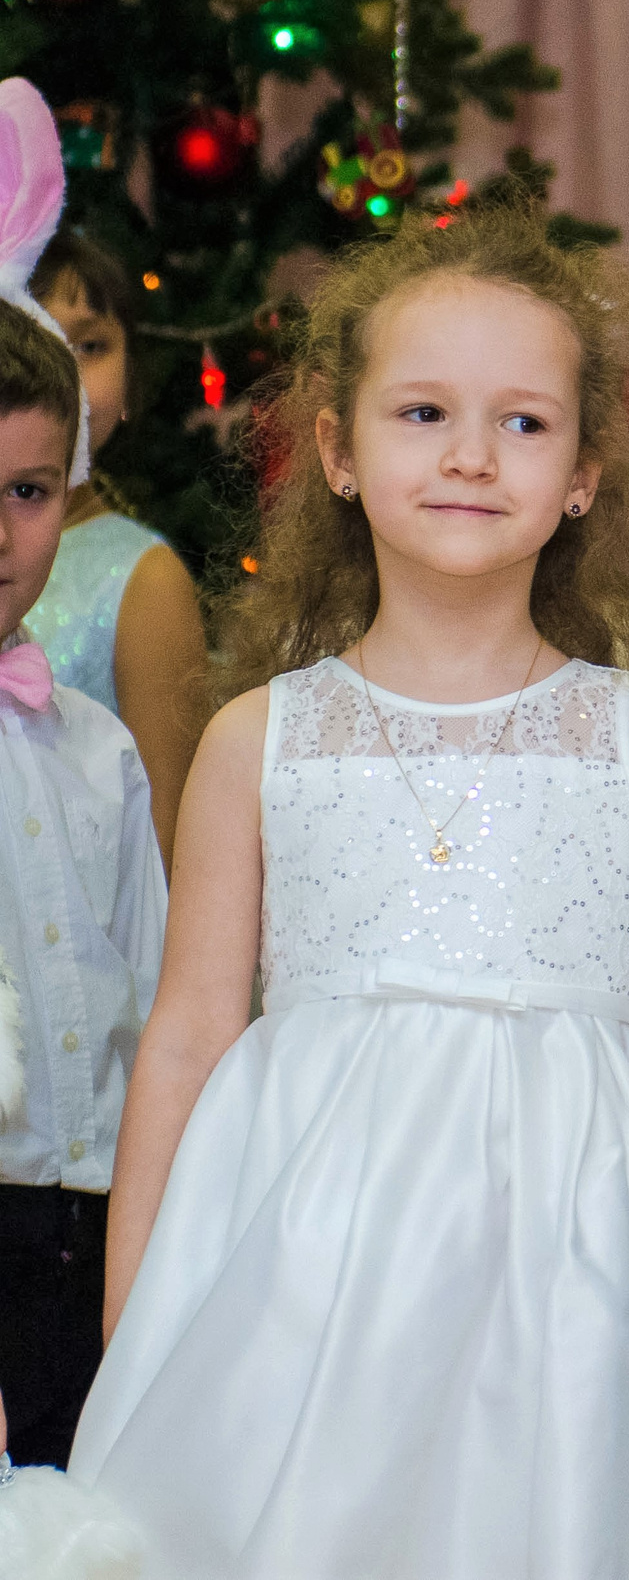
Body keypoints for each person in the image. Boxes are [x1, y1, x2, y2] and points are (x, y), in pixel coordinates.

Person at [69, 201, 629, 1579]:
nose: (472, 455)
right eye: (423, 412)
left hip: (584, 1284)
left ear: (584, 475)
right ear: (337, 452)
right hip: (307, 1285)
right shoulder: (256, 741)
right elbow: (184, 1040)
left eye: (523, 422)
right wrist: (140, 1317)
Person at [0, 82, 166, 1481]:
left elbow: (160, 1004)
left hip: (94, 1230)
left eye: (30, 491)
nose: (1, 533)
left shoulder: (99, 750)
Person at [28, 234, 209, 868]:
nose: (60, 372)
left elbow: (163, 857)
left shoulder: (145, 581)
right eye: (30, 335)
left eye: (90, 346)